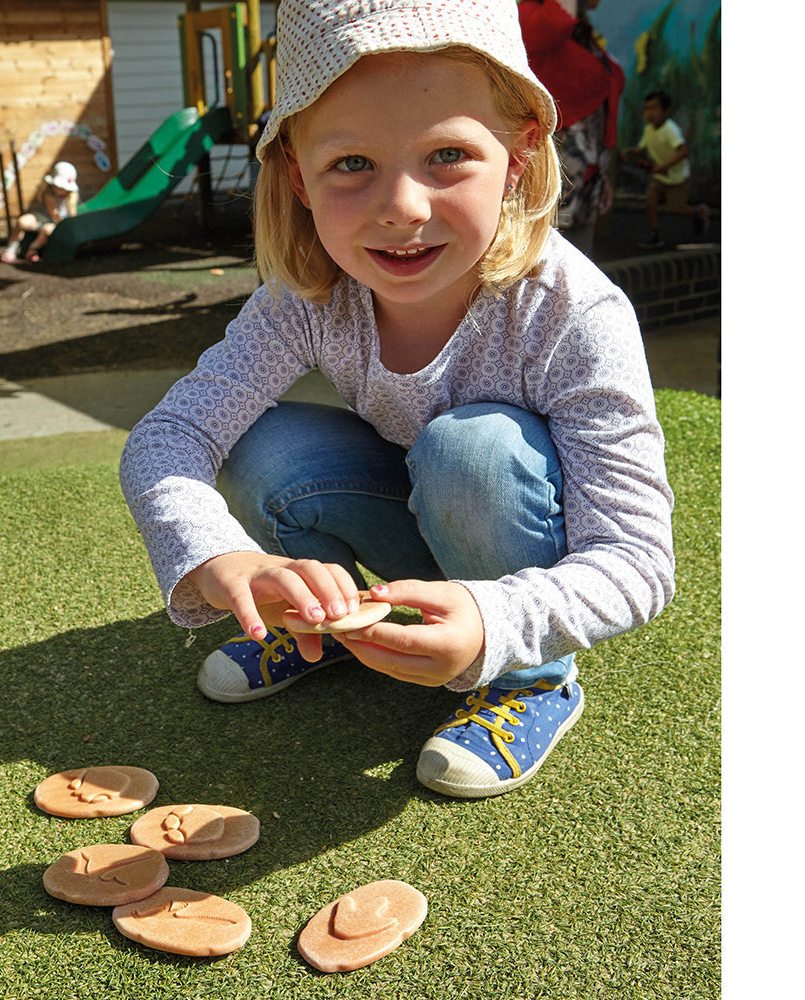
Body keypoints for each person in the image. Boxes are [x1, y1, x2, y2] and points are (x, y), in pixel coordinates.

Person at [119, 0, 675, 800]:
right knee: (257, 444)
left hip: (505, 537)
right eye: (351, 164)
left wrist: (499, 624)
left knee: (472, 448)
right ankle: (330, 617)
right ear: (296, 178)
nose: (402, 208)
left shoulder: (571, 313)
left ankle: (532, 680)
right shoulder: (306, 297)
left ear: (519, 154)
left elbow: (638, 558)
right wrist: (217, 556)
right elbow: (170, 435)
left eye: (448, 153)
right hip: (410, 518)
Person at [518, 0, 625, 256]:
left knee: (577, 261)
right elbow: (558, 18)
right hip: (550, 168)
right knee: (542, 259)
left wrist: (603, 173)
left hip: (587, 175)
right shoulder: (528, 19)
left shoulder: (583, 35)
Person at [623, 90, 709, 250]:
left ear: (665, 110)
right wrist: (632, 151)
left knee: (676, 208)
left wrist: (663, 166)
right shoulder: (648, 129)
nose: (649, 113)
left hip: (677, 178)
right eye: (646, 108)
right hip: (659, 177)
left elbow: (683, 152)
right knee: (650, 202)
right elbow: (643, 148)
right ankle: (655, 235)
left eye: (654, 108)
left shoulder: (670, 129)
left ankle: (698, 212)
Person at [0, 161, 78, 263]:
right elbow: (54, 214)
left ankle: (33, 249)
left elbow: (72, 214)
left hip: (56, 223)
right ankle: (11, 248)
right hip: (42, 218)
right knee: (22, 222)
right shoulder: (48, 194)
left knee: (47, 229)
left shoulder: (71, 196)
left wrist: (69, 226)